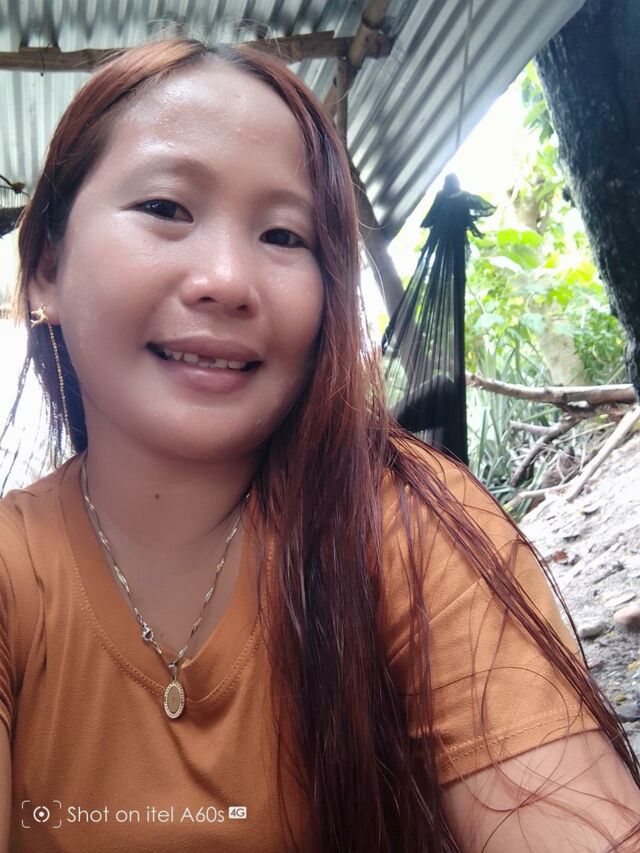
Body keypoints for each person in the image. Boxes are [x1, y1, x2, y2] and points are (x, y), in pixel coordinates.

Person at [0, 37, 639, 853]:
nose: (227, 280)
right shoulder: (16, 570)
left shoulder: (404, 525)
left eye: (284, 235)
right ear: (46, 268)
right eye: (166, 207)